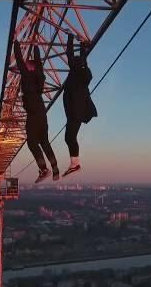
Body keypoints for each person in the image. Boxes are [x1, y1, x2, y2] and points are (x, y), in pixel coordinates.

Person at [14, 40, 60, 183]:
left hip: (33, 114)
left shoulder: (27, 76)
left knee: (32, 142)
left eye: (27, 65)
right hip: (41, 113)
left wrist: (15, 42)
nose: (24, 65)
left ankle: (44, 169)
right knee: (44, 141)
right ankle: (55, 168)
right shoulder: (39, 76)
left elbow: (19, 59)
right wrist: (35, 46)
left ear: (29, 68)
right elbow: (38, 62)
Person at [62, 34, 97, 177]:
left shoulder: (77, 75)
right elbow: (78, 58)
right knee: (69, 137)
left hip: (75, 113)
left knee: (69, 137)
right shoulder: (83, 75)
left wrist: (70, 39)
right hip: (77, 112)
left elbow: (70, 54)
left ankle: (75, 164)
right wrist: (81, 46)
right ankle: (74, 163)